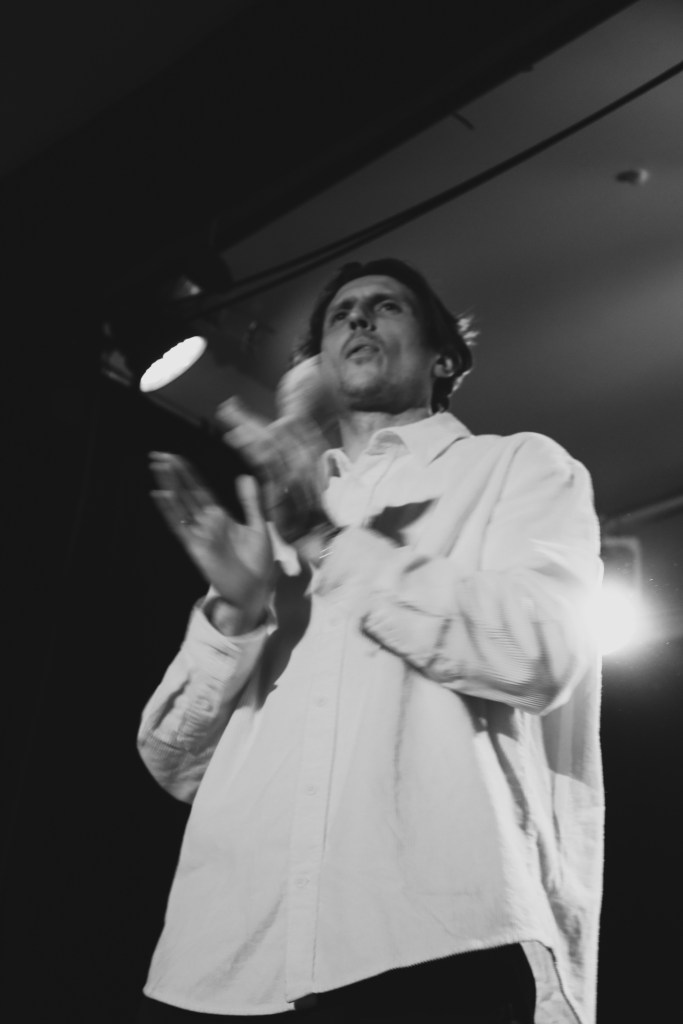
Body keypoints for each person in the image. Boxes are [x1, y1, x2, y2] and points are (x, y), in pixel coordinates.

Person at [138, 258, 604, 1024]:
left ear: (443, 358)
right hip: (226, 960)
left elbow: (541, 654)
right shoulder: (274, 523)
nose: (357, 318)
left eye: (386, 306)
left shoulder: (516, 466)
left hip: (430, 938)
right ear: (318, 366)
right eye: (340, 314)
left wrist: (329, 542)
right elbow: (172, 760)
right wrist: (236, 611)